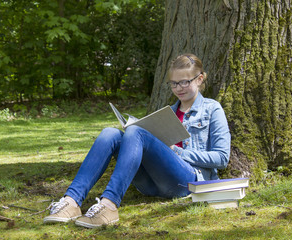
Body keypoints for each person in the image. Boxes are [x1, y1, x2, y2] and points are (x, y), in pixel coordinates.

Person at [43, 53, 231, 228]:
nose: (178, 88)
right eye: (173, 84)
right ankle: (71, 201)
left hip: (187, 182)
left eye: (184, 82)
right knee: (110, 133)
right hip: (150, 184)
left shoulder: (212, 109)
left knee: (136, 132)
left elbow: (222, 158)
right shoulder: (169, 113)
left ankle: (108, 205)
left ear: (199, 79)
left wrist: (177, 151)